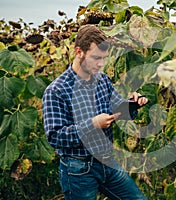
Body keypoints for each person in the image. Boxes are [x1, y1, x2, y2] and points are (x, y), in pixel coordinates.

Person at [42, 24, 148, 200]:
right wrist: (93, 124)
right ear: (79, 52)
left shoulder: (102, 80)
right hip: (78, 169)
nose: (101, 64)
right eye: (96, 58)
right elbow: (55, 136)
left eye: (103, 58)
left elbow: (118, 110)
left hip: (107, 162)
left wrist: (132, 104)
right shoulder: (56, 91)